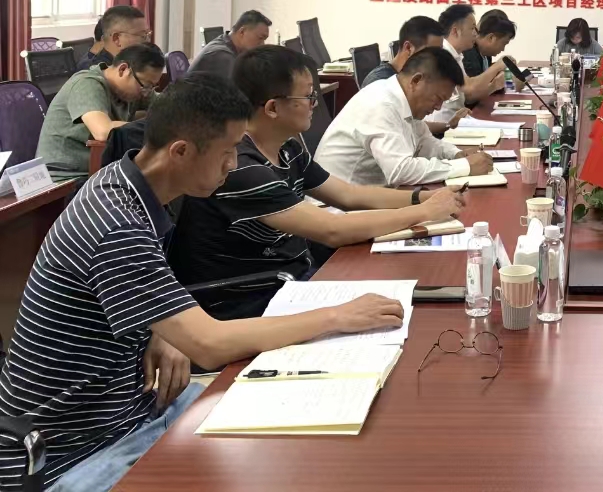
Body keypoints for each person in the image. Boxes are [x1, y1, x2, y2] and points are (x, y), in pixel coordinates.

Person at [0, 74, 405, 491]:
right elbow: (209, 344)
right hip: (72, 454)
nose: (234, 164)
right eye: (227, 152)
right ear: (180, 151)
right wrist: (337, 316)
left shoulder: (130, 185)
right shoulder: (116, 223)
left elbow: (128, 294)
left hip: (133, 413)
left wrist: (161, 331)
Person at [169, 46, 466, 319]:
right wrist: (423, 212)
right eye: (307, 97)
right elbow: (332, 230)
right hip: (250, 300)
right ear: (272, 108)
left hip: (294, 281)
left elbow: (349, 195)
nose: (314, 104)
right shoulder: (242, 167)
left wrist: (422, 198)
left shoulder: (288, 149)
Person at [317, 45, 494, 187]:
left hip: (372, 198)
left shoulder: (402, 99)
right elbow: (400, 171)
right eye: (438, 98)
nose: (438, 107)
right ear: (416, 81)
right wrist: (464, 166)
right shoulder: (382, 104)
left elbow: (425, 142)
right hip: (340, 210)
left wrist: (457, 155)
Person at [36, 43, 166, 178]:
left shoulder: (135, 87)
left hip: (101, 170)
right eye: (146, 86)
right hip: (66, 177)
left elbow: (166, 106)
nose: (146, 93)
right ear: (123, 70)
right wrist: (155, 127)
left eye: (151, 87)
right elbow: (103, 131)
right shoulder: (86, 83)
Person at [428, 4, 506, 126]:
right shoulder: (443, 54)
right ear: (455, 31)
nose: (476, 34)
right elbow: (469, 88)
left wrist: (493, 86)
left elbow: (467, 97)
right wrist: (497, 66)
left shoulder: (457, 55)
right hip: (441, 127)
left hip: (456, 122)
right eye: (472, 28)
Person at [362, 15, 445, 88]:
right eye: (432, 52)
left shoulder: (410, 78)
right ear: (408, 48)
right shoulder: (381, 83)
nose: (437, 58)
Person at [188, 10, 272, 80]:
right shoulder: (222, 56)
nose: (262, 44)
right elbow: (237, 91)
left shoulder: (226, 43)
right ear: (242, 32)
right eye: (260, 38)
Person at [75, 4, 150, 71]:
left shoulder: (128, 65)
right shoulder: (99, 74)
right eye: (142, 36)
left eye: (148, 34)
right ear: (117, 39)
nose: (148, 41)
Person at [463, 10, 517, 77]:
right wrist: (497, 67)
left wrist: (502, 67)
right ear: (491, 37)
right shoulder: (469, 55)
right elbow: (477, 83)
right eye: (504, 44)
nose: (503, 49)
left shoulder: (486, 52)